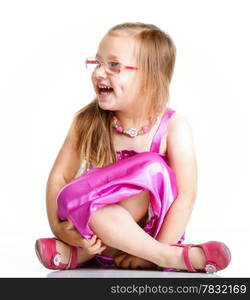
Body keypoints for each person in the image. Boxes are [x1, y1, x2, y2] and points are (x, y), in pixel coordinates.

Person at [35, 22, 231, 273]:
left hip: (150, 237)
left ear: (149, 80)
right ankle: (165, 257)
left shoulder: (174, 127)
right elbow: (60, 179)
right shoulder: (87, 122)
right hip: (95, 233)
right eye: (97, 63)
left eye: (113, 66)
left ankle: (149, 253)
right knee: (85, 202)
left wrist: (157, 248)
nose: (98, 73)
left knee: (151, 167)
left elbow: (186, 196)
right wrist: (58, 227)